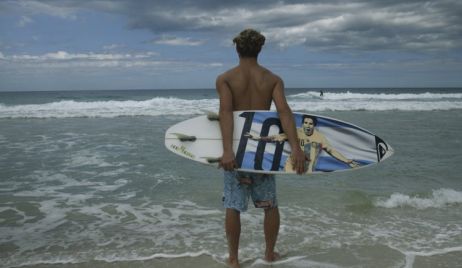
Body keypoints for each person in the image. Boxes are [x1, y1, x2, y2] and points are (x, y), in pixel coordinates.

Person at [215, 29, 306, 268]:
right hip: (264, 151)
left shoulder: (225, 79)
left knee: (233, 205)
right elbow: (284, 113)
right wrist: (295, 149)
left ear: (237, 49)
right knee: (270, 205)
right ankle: (269, 254)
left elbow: (226, 113)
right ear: (260, 49)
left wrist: (227, 151)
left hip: (237, 151)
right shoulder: (273, 80)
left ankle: (234, 260)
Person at [247, 115, 359, 173]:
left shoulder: (320, 137)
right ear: (302, 124)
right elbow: (275, 138)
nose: (308, 125)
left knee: (313, 147)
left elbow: (331, 151)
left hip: (308, 169)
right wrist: (257, 137)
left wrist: (346, 160)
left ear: (314, 126)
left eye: (310, 123)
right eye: (305, 123)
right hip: (291, 166)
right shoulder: (296, 132)